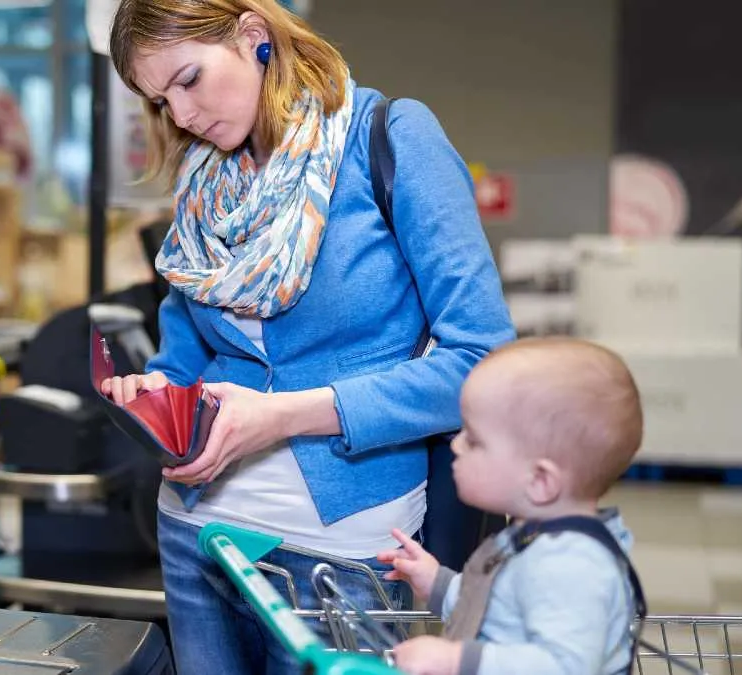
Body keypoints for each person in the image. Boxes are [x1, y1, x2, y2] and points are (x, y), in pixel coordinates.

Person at [103, 1, 515, 672]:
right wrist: (157, 395)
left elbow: (484, 361)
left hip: (345, 553)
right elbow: (185, 360)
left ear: (253, 36)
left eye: (189, 79)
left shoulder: (387, 138)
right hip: (196, 529)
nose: (180, 115)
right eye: (159, 100)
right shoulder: (202, 185)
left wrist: (286, 415)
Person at [380, 338, 644, 675]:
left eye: (474, 439)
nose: (457, 445)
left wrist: (454, 660)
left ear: (540, 482)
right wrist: (439, 584)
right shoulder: (532, 536)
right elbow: (501, 605)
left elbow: (564, 666)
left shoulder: (570, 563)